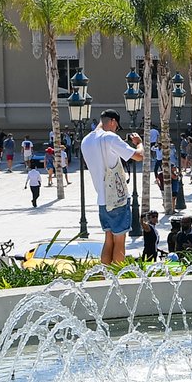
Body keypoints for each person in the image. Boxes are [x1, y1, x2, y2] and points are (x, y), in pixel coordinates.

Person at [80, 109, 143, 266]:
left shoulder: (85, 141)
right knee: (120, 239)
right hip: (117, 199)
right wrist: (139, 143)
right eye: (117, 126)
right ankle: (117, 278)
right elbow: (138, 156)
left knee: (108, 239)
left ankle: (106, 276)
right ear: (113, 121)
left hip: (102, 199)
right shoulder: (110, 138)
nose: (116, 130)